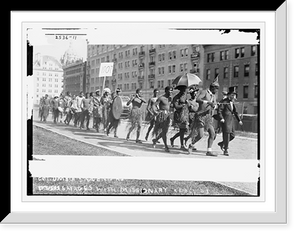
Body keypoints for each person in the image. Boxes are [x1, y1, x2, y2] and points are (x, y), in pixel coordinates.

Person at [186, 77, 220, 156]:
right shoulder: (204, 92)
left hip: (208, 117)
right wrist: (208, 102)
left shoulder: (214, 96)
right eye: (216, 88)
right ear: (212, 87)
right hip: (200, 117)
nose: (217, 90)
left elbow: (214, 105)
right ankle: (191, 144)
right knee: (200, 135)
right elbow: (198, 99)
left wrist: (215, 106)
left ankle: (209, 150)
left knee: (212, 134)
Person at [217, 87, 243, 156]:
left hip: (231, 121)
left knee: (233, 135)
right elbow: (219, 111)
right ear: (228, 95)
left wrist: (239, 120)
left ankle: (222, 143)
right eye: (232, 95)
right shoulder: (224, 101)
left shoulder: (232, 102)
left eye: (234, 95)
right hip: (225, 120)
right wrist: (221, 118)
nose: (233, 96)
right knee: (227, 135)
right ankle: (226, 149)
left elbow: (235, 112)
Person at [151, 86, 173, 152]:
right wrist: (155, 112)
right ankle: (166, 146)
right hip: (162, 116)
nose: (171, 92)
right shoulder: (161, 98)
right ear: (166, 91)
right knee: (164, 132)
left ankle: (155, 139)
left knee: (165, 131)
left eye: (172, 91)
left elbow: (171, 106)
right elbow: (154, 105)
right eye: (169, 91)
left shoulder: (170, 98)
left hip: (168, 116)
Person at [169, 85, 189, 151]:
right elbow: (176, 106)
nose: (187, 90)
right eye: (186, 89)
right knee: (182, 129)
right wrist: (182, 105)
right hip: (179, 115)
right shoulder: (176, 97)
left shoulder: (185, 96)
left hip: (185, 114)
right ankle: (182, 145)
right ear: (182, 90)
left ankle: (173, 139)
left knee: (183, 130)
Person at [182, 87, 199, 151]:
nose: (195, 95)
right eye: (194, 94)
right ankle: (192, 144)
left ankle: (187, 139)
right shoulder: (188, 101)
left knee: (196, 131)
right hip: (191, 116)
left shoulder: (198, 101)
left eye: (196, 94)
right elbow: (188, 110)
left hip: (197, 116)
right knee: (193, 130)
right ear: (191, 94)